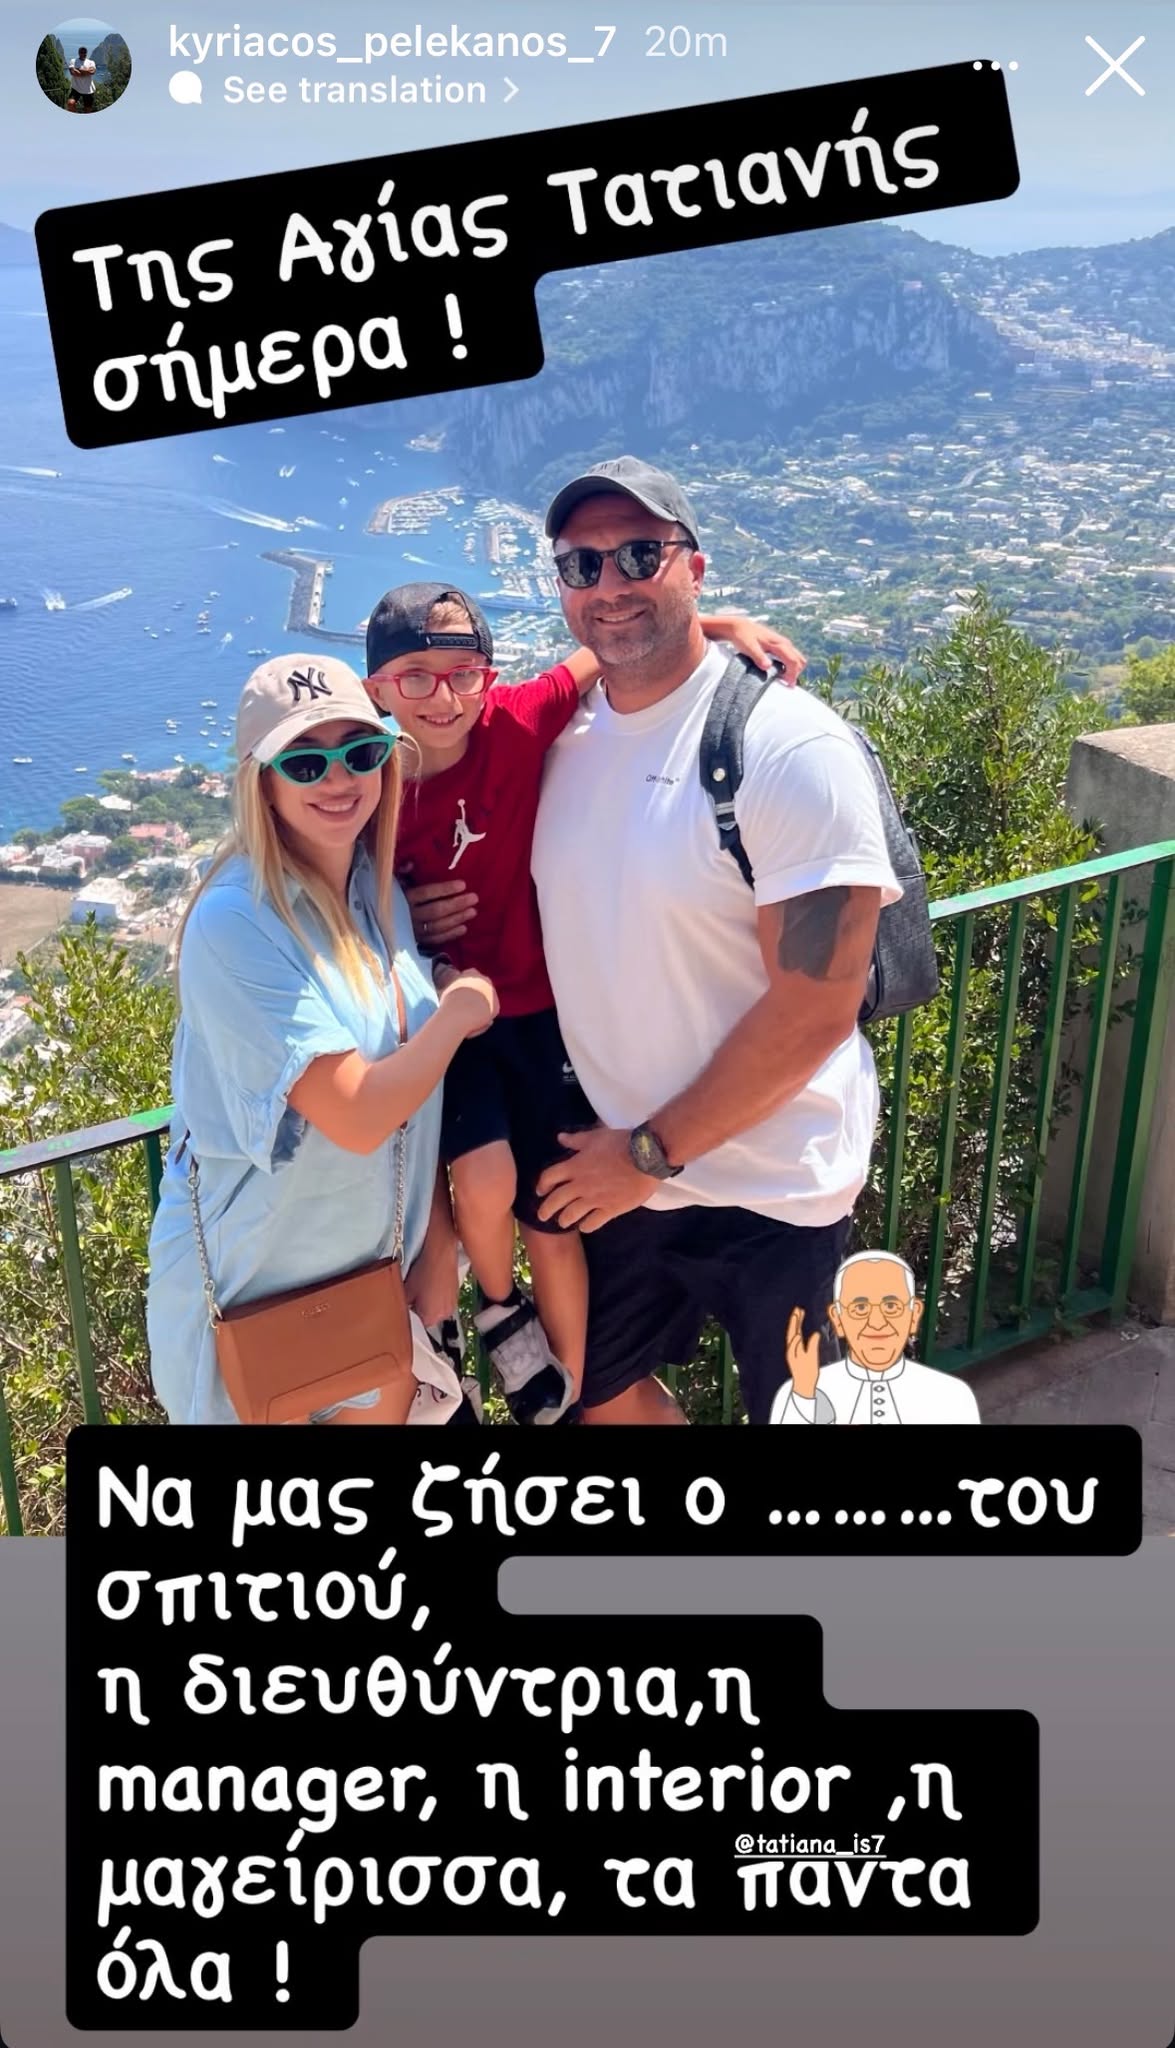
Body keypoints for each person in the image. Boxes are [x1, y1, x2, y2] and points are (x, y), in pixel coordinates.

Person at [507, 454, 903, 1427]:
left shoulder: (789, 747)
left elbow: (816, 1006)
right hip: (626, 1176)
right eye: (582, 564)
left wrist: (646, 1153)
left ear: (693, 565)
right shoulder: (558, 744)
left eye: (639, 555)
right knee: (593, 1393)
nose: (610, 583)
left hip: (776, 1188)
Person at [365, 582, 803, 1425]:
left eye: (462, 675)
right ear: (378, 689)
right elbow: (345, 902)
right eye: (414, 678)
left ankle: (560, 1398)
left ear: (489, 677)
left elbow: (599, 654)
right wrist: (405, 916)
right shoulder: (368, 782)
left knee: (551, 1212)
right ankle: (492, 1314)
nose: (442, 698)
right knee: (471, 1189)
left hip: (540, 1015)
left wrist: (717, 623)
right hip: (447, 1024)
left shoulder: (517, 722)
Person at [146, 654, 497, 1428]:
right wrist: (460, 1012)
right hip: (256, 1299)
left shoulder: (378, 891)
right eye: (305, 762)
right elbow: (360, 1114)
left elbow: (410, 1107)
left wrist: (436, 1241)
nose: (339, 779)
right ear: (261, 781)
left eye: (360, 752)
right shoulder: (236, 922)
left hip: (372, 1287)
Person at [770, 1250, 982, 1424]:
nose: (876, 1323)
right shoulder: (809, 1388)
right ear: (838, 1318)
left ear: (913, 1315)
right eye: (860, 1309)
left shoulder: (951, 1397)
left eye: (891, 1307)